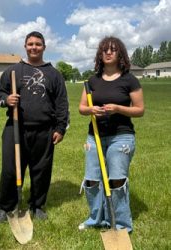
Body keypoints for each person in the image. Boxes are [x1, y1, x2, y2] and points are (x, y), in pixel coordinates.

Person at [0, 31, 69, 222]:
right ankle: (6, 207)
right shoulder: (13, 71)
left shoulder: (54, 74)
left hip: (45, 130)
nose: (34, 47)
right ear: (25, 47)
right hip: (16, 128)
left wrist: (60, 128)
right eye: (30, 44)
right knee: (10, 169)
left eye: (38, 44)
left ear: (44, 47)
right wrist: (6, 99)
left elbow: (62, 104)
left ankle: (37, 205)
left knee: (41, 170)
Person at [78, 36, 144, 232]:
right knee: (92, 180)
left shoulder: (129, 79)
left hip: (121, 137)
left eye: (113, 49)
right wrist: (90, 111)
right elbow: (82, 107)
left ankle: (121, 225)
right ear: (100, 54)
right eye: (104, 50)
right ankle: (95, 219)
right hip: (95, 136)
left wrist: (118, 108)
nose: (108, 52)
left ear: (120, 54)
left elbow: (140, 110)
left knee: (116, 181)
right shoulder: (92, 80)